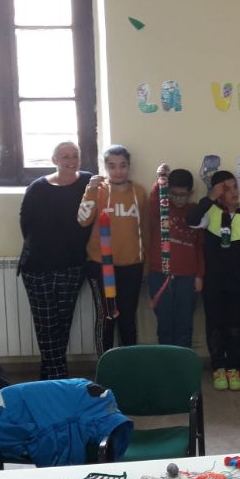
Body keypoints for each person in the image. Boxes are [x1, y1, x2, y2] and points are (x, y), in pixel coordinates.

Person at [19, 141, 92, 379]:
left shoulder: (88, 182)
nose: (70, 160)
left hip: (72, 267)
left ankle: (49, 377)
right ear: (54, 160)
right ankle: (59, 377)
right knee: (46, 325)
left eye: (75, 155)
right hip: (37, 267)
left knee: (62, 324)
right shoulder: (38, 187)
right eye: (64, 156)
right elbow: (25, 224)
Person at [187, 170, 240, 392]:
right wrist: (211, 198)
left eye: (235, 187)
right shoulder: (210, 211)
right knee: (215, 324)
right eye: (226, 189)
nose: (233, 192)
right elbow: (191, 220)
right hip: (214, 281)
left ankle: (234, 366)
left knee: (237, 324)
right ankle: (218, 366)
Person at [78, 145, 148, 356]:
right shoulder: (97, 190)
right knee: (107, 317)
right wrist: (90, 190)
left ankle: (129, 365)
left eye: (122, 165)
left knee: (128, 317)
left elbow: (146, 229)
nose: (118, 171)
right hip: (100, 265)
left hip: (132, 266)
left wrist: (146, 264)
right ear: (105, 167)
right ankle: (105, 365)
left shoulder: (139, 192)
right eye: (112, 166)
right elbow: (83, 220)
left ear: (129, 166)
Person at [148, 164, 204, 348]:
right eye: (174, 194)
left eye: (183, 195)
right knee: (165, 324)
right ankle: (166, 362)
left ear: (190, 193)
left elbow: (200, 247)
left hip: (187, 277)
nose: (179, 199)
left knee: (184, 324)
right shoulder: (161, 208)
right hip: (160, 274)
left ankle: (183, 362)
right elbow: (154, 198)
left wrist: (199, 275)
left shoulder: (194, 212)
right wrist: (161, 178)